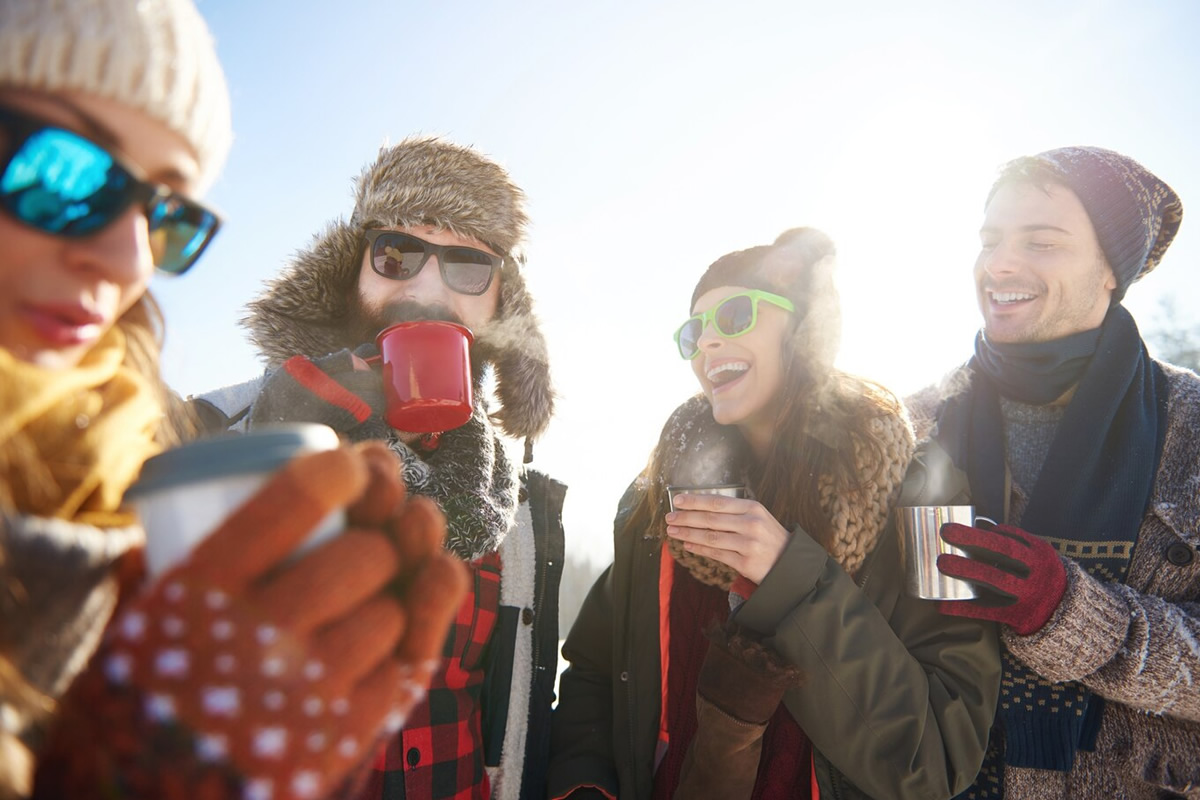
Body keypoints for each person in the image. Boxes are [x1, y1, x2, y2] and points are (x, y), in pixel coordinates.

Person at [0, 1, 468, 798]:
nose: (124, 257)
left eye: (162, 214)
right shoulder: (207, 444)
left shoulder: (125, 480)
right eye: (65, 171)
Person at [548, 227, 1000, 800]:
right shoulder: (656, 501)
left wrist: (793, 578)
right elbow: (594, 668)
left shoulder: (929, 494)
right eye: (694, 330)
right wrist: (584, 785)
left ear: (804, 329)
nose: (708, 342)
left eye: (736, 315)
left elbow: (940, 755)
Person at [192, 138, 566, 800]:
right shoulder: (213, 434)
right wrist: (266, 457)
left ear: (501, 305)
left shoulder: (521, 506)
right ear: (351, 272)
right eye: (397, 255)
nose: (425, 289)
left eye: (469, 268)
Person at [908, 147, 1198, 799]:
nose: (1000, 264)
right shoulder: (912, 426)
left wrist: (1074, 616)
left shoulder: (1191, 428)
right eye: (991, 240)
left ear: (1109, 274)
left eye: (1041, 242)